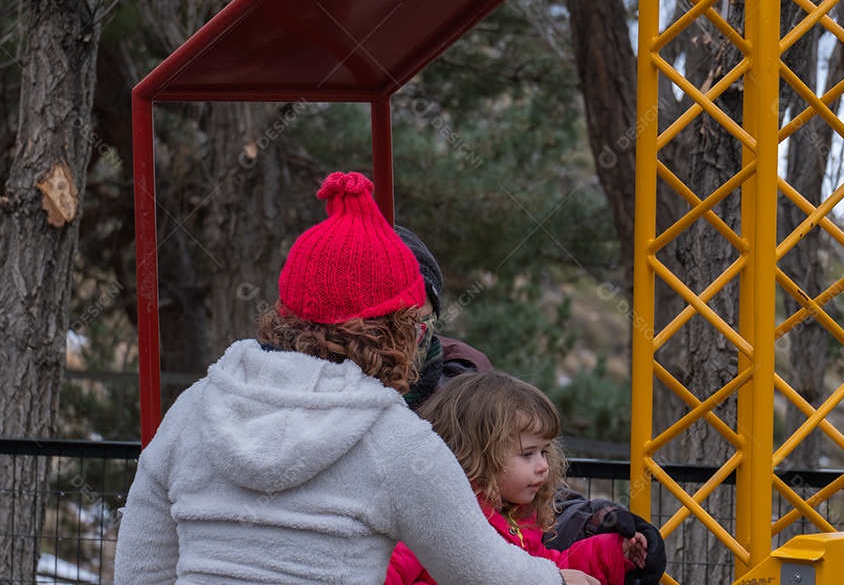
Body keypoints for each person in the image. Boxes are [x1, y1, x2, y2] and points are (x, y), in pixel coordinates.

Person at [114, 172, 600, 585]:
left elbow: (140, 569)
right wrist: (561, 580)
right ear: (396, 330)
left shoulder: (195, 408)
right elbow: (481, 570)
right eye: (415, 323)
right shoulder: (394, 439)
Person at [394, 226, 667, 585]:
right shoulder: (437, 513)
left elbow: (541, 553)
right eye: (392, 321)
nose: (408, 335)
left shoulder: (466, 381)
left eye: (421, 319)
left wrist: (602, 535)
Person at [385, 371, 647, 585]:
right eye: (527, 454)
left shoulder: (518, 518)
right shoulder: (433, 514)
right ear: (479, 454)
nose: (543, 466)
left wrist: (610, 552)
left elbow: (549, 570)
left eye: (544, 452)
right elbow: (384, 574)